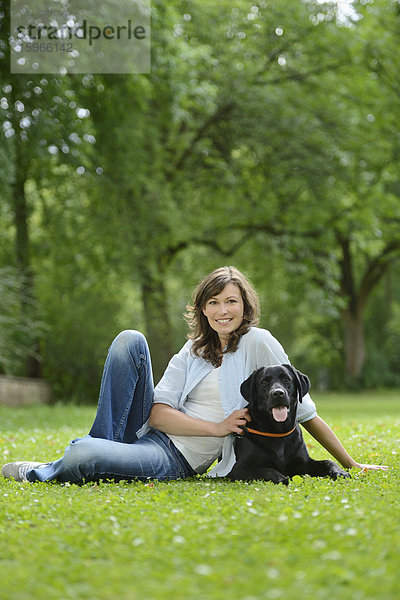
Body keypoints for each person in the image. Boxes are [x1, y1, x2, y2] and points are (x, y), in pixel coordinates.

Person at [1, 266, 387, 484]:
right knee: (129, 340)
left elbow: (306, 412)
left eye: (231, 301)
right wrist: (218, 427)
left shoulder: (258, 342)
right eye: (213, 302)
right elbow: (156, 413)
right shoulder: (193, 349)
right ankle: (99, 451)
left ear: (244, 305)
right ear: (202, 309)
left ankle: (70, 462)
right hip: (148, 432)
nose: (222, 310)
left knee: (84, 453)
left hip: (174, 457)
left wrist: (351, 464)